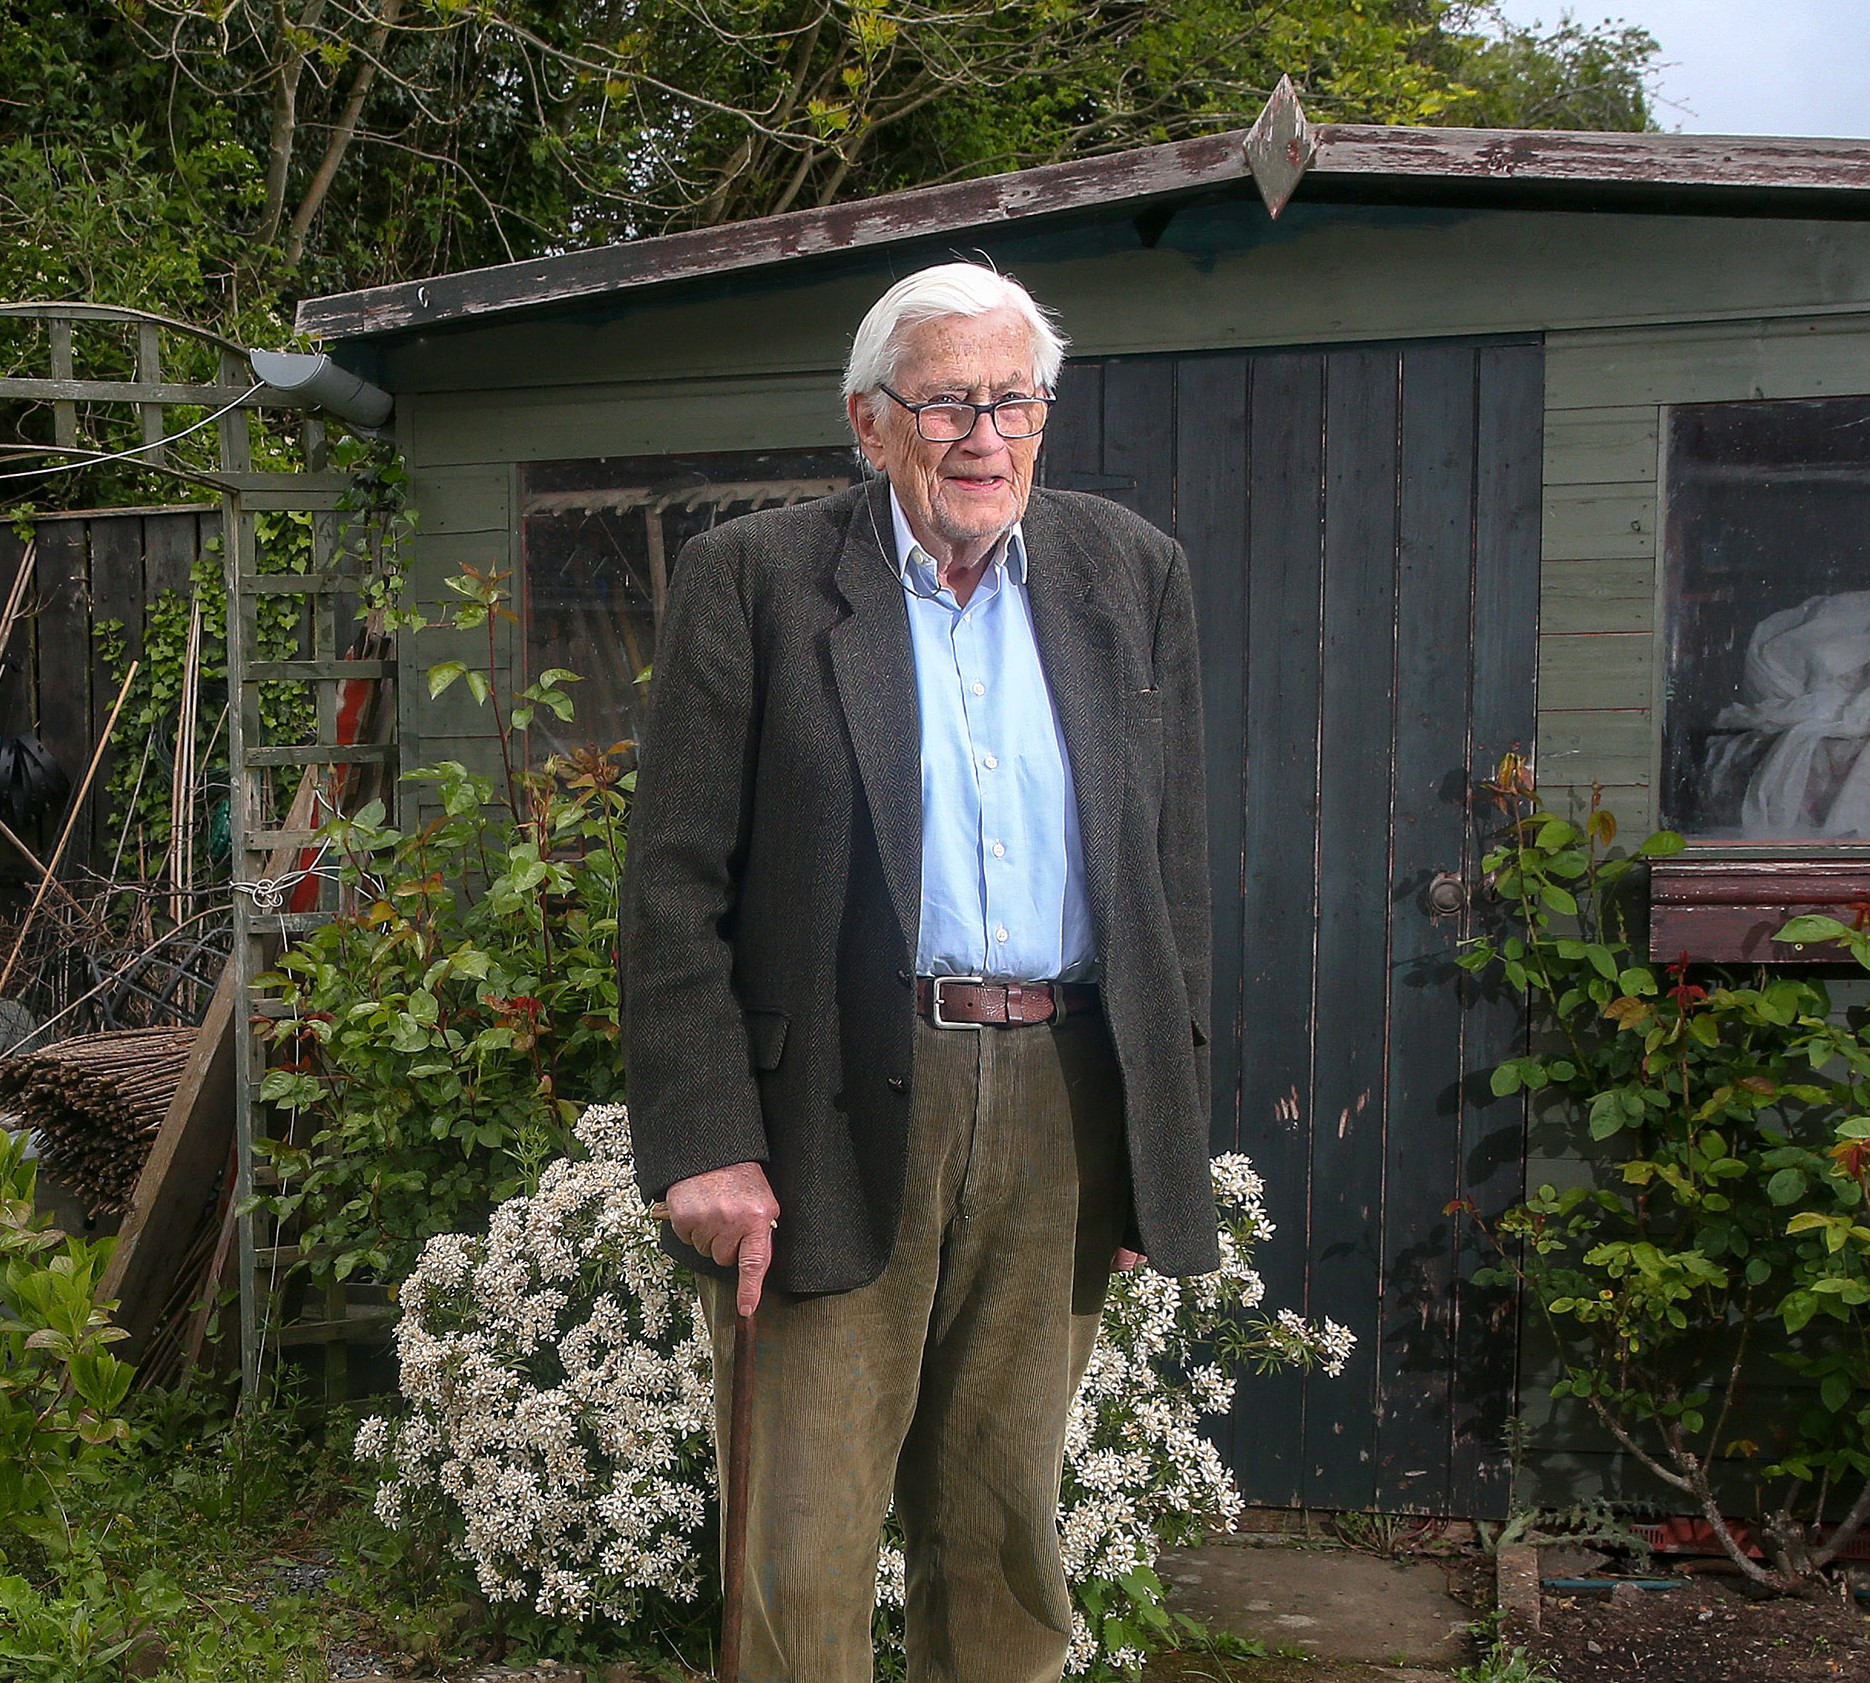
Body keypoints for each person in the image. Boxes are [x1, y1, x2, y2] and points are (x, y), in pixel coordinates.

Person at [621, 260, 1217, 1683]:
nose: (983, 435)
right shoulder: (754, 580)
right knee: (802, 1537)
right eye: (945, 401)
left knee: (1004, 1526)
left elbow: (1165, 875)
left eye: (1014, 400)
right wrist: (706, 1140)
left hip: (1061, 1094)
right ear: (867, 419)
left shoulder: (1128, 572)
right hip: (829, 1097)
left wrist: (1154, 1133)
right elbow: (672, 886)